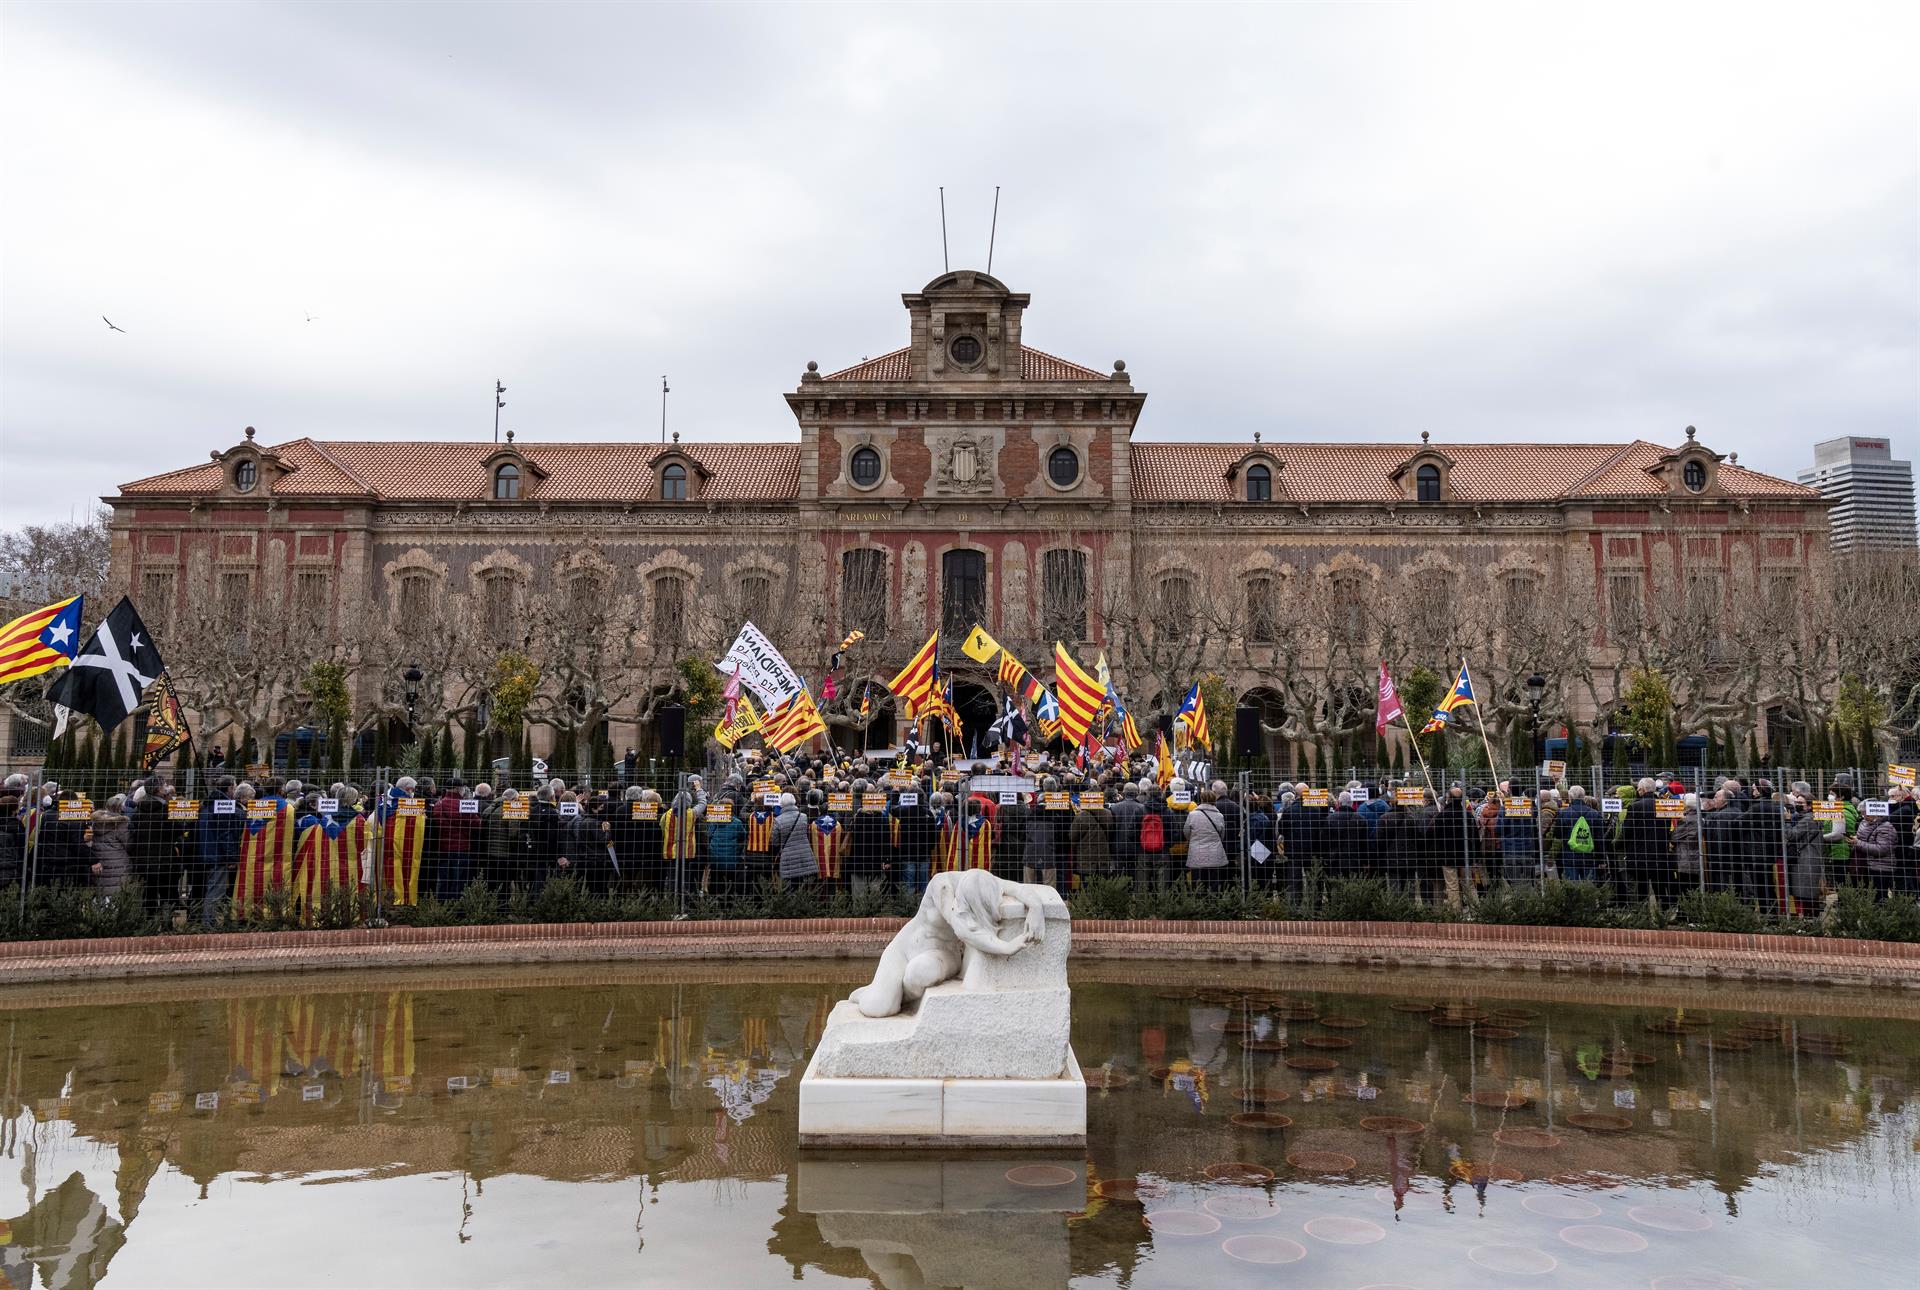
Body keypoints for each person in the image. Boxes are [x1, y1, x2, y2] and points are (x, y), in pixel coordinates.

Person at [1553, 785, 1606, 885]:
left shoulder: (1563, 814)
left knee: (1572, 888)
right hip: (1590, 857)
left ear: (1570, 797)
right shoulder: (1595, 814)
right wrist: (1601, 859)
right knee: (1590, 888)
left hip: (1570, 857)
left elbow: (1558, 834)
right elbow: (1599, 839)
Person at [1183, 789, 1230, 888]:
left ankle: (1200, 902)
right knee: (1214, 884)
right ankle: (1213, 902)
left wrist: (1193, 839)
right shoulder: (1219, 816)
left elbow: (1186, 832)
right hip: (1215, 853)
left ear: (1201, 799)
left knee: (1198, 884)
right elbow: (1222, 835)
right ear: (1214, 800)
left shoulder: (1192, 815)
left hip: (1197, 853)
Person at [89, 802, 132, 900]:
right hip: (118, 865)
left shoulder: (96, 822)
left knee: (101, 895)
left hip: (99, 863)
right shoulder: (120, 824)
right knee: (115, 897)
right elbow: (129, 845)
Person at [772, 792, 815, 884]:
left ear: (782, 803)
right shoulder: (803, 817)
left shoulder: (778, 820)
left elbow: (774, 842)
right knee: (804, 885)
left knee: (790, 886)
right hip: (804, 854)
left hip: (788, 857)